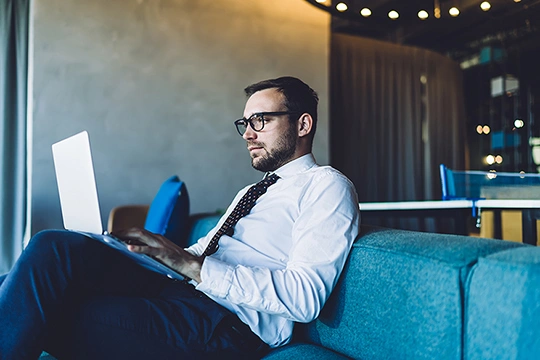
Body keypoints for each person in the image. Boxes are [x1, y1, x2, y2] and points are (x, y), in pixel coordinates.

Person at [0, 76, 360, 359]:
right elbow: (203, 252)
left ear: (303, 124)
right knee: (52, 248)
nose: (248, 133)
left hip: (225, 326)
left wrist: (193, 267)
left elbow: (305, 298)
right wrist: (152, 253)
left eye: (261, 120)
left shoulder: (326, 187)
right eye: (246, 122)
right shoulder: (253, 192)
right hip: (181, 294)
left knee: (35, 306)